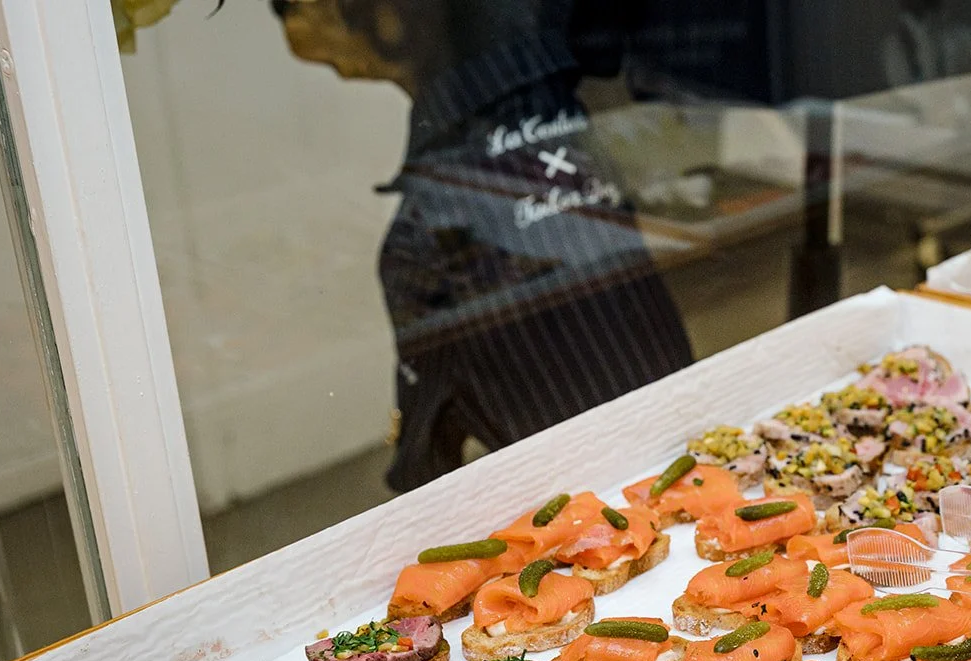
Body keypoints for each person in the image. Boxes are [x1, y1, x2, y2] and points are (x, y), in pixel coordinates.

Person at [272, 0, 695, 491]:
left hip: (601, 508)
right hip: (693, 449)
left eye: (290, 6)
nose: (288, 26)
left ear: (385, 14)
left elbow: (425, 472)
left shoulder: (427, 236)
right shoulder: (567, 119)